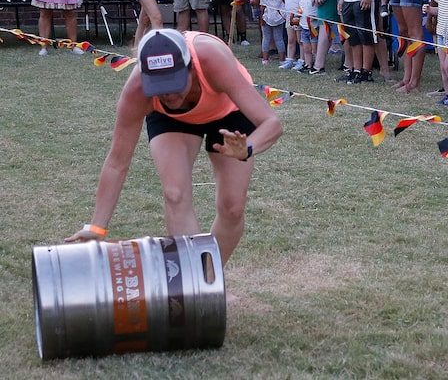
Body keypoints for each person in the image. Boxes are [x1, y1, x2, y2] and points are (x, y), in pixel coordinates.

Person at [65, 28, 284, 266]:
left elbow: (272, 123)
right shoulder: (138, 90)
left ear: (189, 69)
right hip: (172, 120)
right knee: (175, 194)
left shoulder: (212, 59)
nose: (168, 94)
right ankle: (197, 284)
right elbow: (117, 162)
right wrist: (97, 226)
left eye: (174, 83)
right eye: (159, 86)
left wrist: (247, 148)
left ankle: (209, 277)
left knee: (232, 208)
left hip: (228, 111)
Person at [253, 0, 285, 66]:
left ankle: (265, 59)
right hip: (278, 16)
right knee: (279, 38)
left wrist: (253, 2)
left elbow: (255, 3)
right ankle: (282, 60)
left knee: (266, 37)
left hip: (266, 16)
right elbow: (284, 0)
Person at [276, 0, 304, 71]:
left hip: (299, 14)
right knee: (290, 39)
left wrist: (301, 11)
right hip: (289, 14)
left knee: (300, 39)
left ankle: (302, 60)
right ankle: (290, 59)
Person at [298, 0, 321, 73]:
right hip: (304, 27)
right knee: (306, 48)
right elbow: (301, 11)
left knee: (314, 48)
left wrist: (316, 18)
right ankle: (308, 64)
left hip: (314, 28)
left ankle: (316, 64)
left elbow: (320, 12)